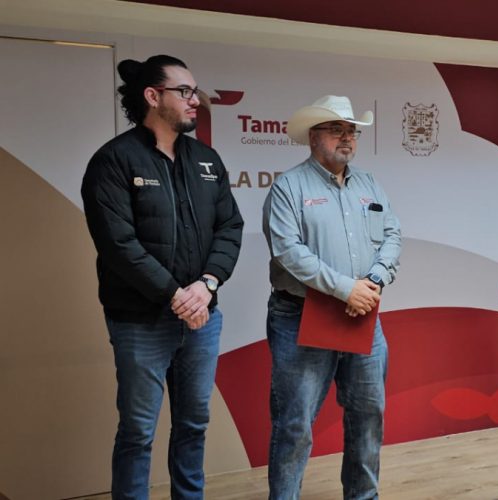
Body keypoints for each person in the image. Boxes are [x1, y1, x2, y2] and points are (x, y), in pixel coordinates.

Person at [81, 55, 244, 499]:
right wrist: (177, 296)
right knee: (137, 432)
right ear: (153, 96)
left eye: (195, 91)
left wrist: (207, 284)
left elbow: (230, 227)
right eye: (184, 91)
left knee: (194, 425)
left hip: (202, 319)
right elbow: (119, 245)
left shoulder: (207, 160)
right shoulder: (114, 160)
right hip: (140, 321)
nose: (196, 100)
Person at [262, 95, 401, 499]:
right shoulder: (288, 187)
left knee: (368, 416)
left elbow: (392, 234)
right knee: (295, 424)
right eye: (337, 129)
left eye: (352, 131)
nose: (347, 138)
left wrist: (374, 279)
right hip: (302, 316)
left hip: (363, 315)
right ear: (313, 137)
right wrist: (346, 289)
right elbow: (288, 252)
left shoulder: (369, 183)